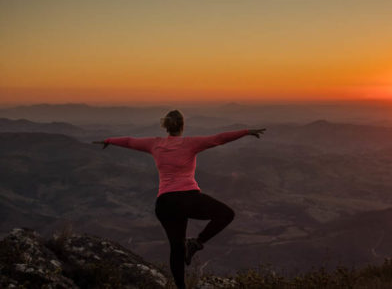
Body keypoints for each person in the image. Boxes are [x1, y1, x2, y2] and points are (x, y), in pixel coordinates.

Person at [93, 110, 265, 289]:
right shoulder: (189, 144)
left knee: (176, 248)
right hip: (187, 198)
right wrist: (246, 132)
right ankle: (197, 242)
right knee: (226, 214)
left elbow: (129, 141)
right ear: (182, 126)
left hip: (165, 204)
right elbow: (219, 138)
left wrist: (108, 141)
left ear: (166, 126)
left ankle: (181, 286)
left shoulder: (154, 144)